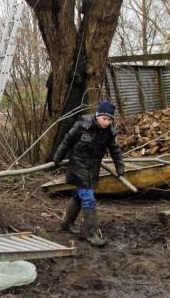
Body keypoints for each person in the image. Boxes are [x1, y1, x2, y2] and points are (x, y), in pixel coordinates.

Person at [52, 100, 125, 247]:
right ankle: (92, 234)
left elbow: (115, 150)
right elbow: (67, 141)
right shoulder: (82, 125)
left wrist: (120, 168)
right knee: (88, 197)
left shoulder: (109, 132)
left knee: (81, 195)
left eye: (109, 119)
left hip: (93, 168)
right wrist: (57, 158)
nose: (106, 122)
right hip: (78, 165)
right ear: (97, 115)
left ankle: (67, 223)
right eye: (104, 118)